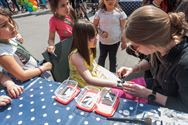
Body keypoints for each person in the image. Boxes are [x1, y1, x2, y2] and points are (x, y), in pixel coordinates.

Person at [117, 5, 188, 112]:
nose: (135, 51)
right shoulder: (163, 43)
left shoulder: (184, 65)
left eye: (135, 46)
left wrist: (148, 94)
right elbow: (151, 59)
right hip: (156, 87)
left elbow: (184, 106)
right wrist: (134, 69)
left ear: (151, 41)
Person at [0, 9, 52, 81]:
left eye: (10, 20)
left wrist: (17, 34)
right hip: (30, 81)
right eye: (4, 25)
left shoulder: (8, 38)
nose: (12, 26)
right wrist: (43, 68)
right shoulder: (2, 52)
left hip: (35, 72)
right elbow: (22, 75)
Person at [69, 20, 123, 90]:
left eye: (96, 35)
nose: (96, 39)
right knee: (114, 89)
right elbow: (89, 80)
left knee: (116, 81)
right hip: (83, 83)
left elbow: (93, 64)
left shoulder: (88, 47)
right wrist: (115, 84)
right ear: (81, 39)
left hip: (94, 72)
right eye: (91, 37)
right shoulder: (76, 56)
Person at [93, 0, 127, 73]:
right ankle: (99, 73)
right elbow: (94, 26)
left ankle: (112, 75)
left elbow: (123, 28)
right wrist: (101, 32)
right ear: (103, 1)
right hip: (103, 42)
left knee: (112, 58)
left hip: (115, 42)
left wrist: (124, 41)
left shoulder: (120, 13)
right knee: (102, 58)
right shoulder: (99, 13)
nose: (110, 1)